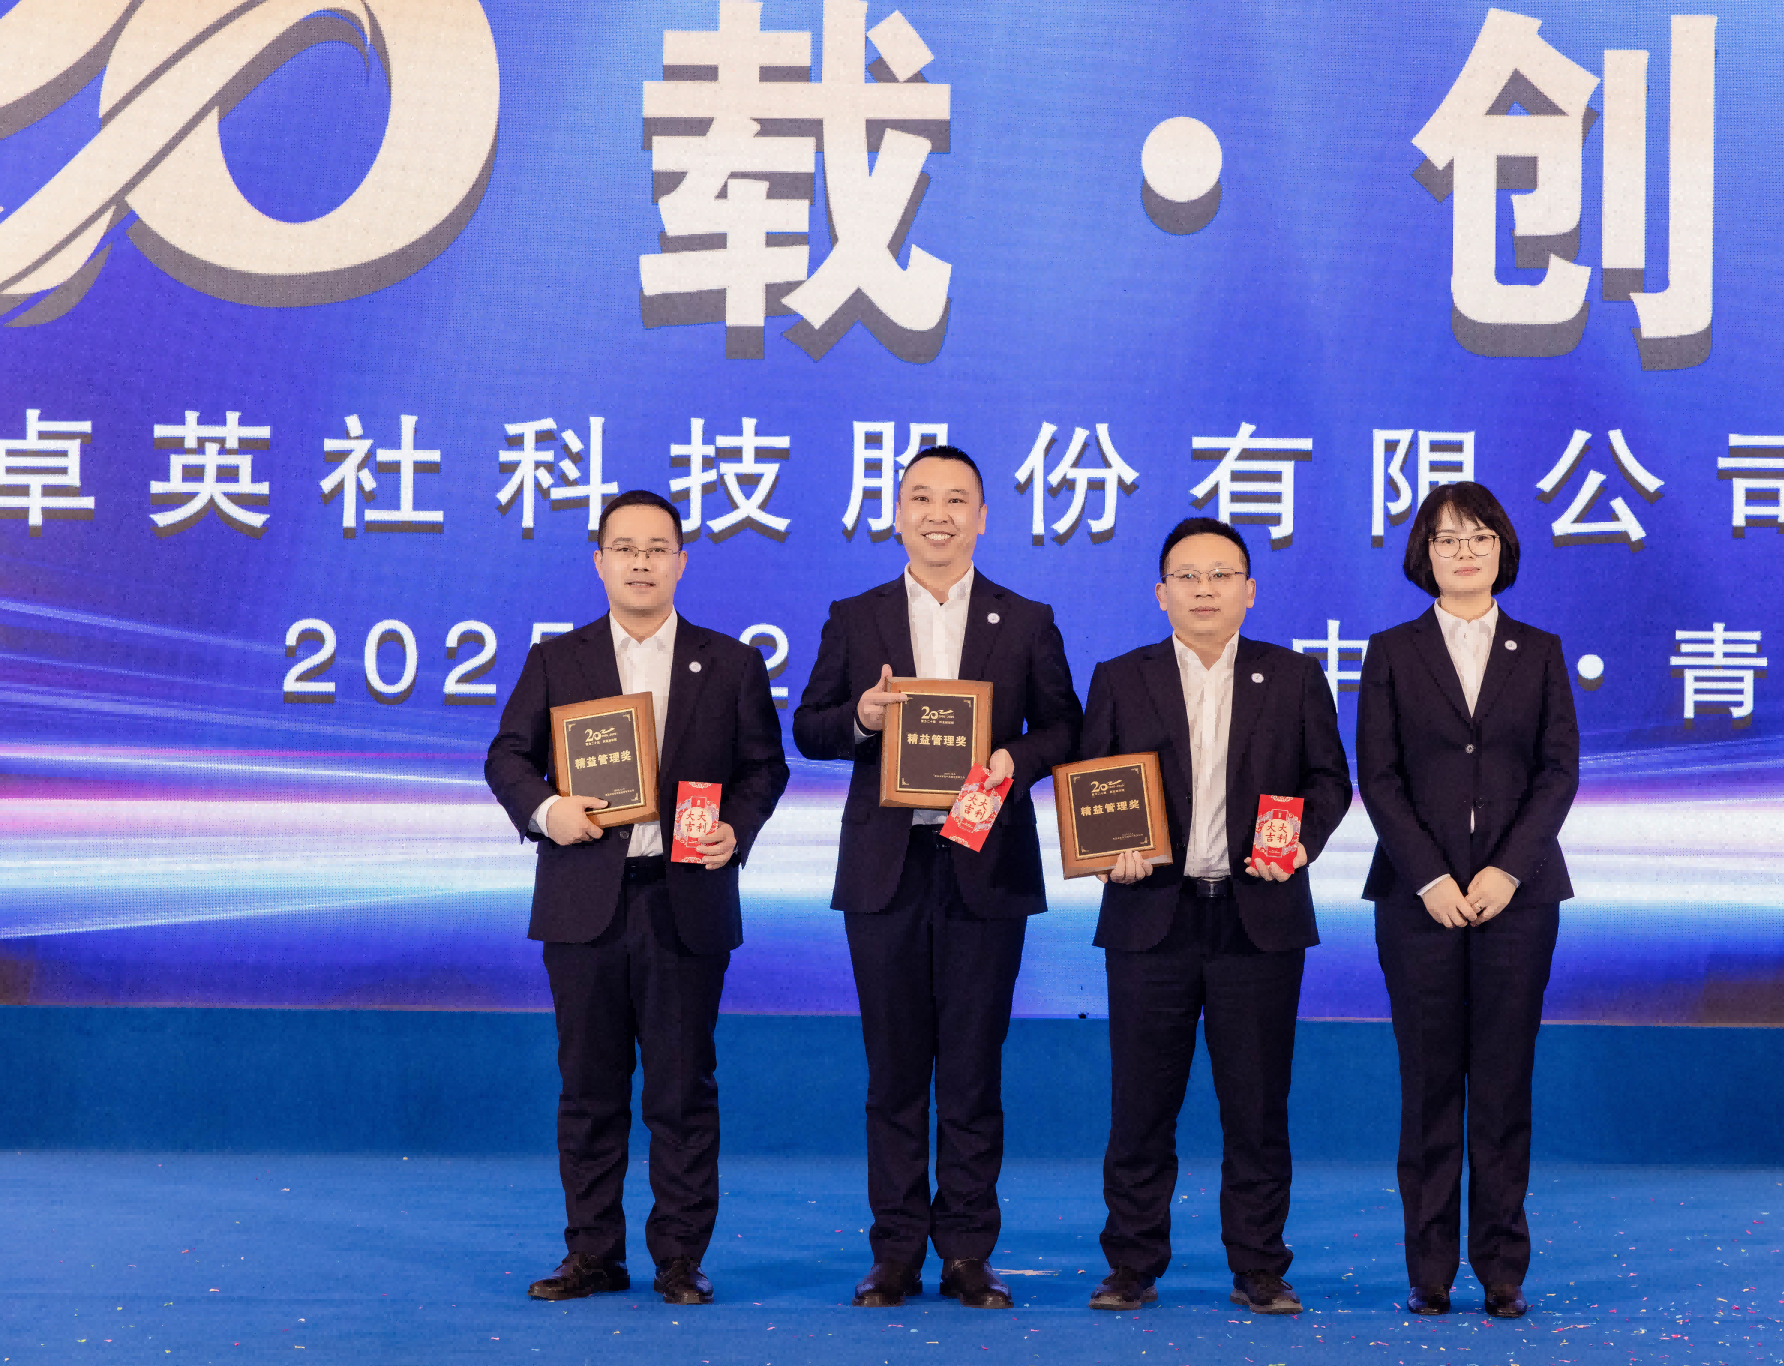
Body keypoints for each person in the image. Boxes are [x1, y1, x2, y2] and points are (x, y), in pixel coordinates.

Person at [791, 446, 1082, 1311]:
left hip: (985, 866)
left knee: (971, 1070)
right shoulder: (857, 616)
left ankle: (966, 1253)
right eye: (921, 497)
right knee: (893, 1070)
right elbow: (809, 727)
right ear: (897, 514)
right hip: (886, 869)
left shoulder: (1024, 619)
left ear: (982, 517)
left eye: (957, 500)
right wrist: (862, 715)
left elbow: (1066, 727)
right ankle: (894, 1253)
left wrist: (1012, 759)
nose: (938, 514)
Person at [484, 489, 789, 1306]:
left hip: (684, 902)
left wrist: (736, 828)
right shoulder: (558, 660)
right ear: (600, 562)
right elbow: (506, 757)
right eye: (625, 548)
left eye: (658, 548)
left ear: (682, 562)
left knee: (682, 1091)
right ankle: (592, 1253)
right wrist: (549, 810)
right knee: (588, 1090)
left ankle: (680, 1257)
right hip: (583, 903)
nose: (642, 562)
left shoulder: (731, 664)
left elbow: (766, 767)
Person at [1079, 516, 1352, 1316]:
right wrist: (1108, 849)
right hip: (1149, 918)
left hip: (1257, 918)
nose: (1204, 589)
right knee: (1140, 1106)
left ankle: (1260, 1266)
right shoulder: (1120, 678)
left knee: (1257, 1107)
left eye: (1221, 575)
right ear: (1160, 592)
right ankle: (1131, 1264)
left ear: (1250, 591)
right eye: (1187, 576)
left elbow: (1329, 781)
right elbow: (1092, 781)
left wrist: (1299, 843)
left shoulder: (1293, 677)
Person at [1355, 481, 1579, 1319]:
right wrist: (1431, 878)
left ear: (1502, 549)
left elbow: (1559, 772)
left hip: (1519, 899)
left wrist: (1507, 871)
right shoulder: (1392, 652)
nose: (1464, 552)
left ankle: (1502, 1268)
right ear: (1425, 554)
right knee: (1429, 1083)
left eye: (1480, 536)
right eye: (1447, 538)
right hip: (1418, 902)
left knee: (1503, 1083)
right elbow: (1378, 776)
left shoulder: (1540, 651)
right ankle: (1430, 1269)